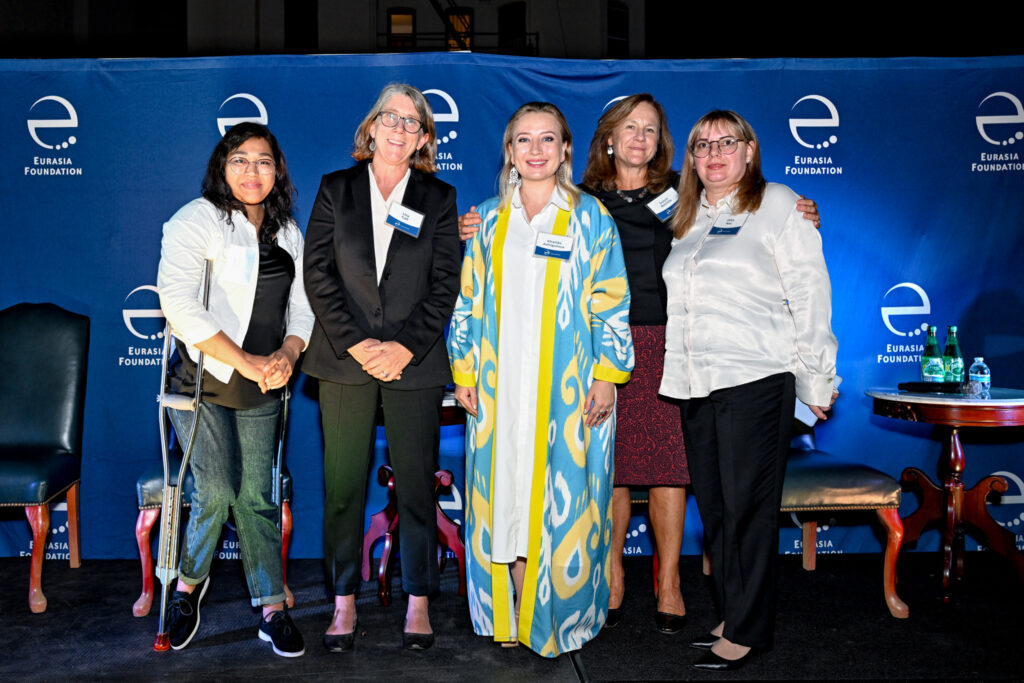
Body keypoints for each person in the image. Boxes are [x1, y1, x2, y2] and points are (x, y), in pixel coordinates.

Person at [461, 94, 822, 634]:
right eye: (629, 128)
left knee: (669, 469)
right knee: (604, 470)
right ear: (606, 138)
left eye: (650, 130)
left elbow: (745, 212)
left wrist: (798, 209)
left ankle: (670, 580)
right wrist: (472, 226)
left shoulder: (687, 192)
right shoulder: (580, 199)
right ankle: (608, 573)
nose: (638, 138)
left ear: (662, 143)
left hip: (668, 340)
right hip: (585, 347)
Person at [448, 102, 634, 657]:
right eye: (523, 140)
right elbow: (468, 302)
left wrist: (606, 374)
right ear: (509, 151)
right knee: (503, 496)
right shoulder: (486, 220)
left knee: (562, 501)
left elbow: (612, 300)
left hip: (568, 390)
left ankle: (558, 618)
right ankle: (506, 611)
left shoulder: (590, 217)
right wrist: (463, 369)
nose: (535, 150)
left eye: (547, 139)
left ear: (565, 150)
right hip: (500, 391)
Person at [659, 110, 839, 672]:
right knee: (716, 510)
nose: (714, 153)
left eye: (726, 143)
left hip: (756, 379)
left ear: (750, 151)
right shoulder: (687, 217)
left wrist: (816, 379)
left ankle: (751, 629)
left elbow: (811, 293)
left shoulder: (779, 204)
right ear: (690, 158)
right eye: (702, 145)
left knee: (749, 511)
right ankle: (734, 612)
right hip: (695, 383)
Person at [302, 84, 461, 653]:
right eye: (389, 118)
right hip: (344, 362)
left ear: (423, 137)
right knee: (343, 487)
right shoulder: (334, 189)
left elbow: (445, 285)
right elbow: (317, 274)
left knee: (417, 485)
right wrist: (360, 345)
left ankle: (419, 597)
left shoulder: (438, 197)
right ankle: (343, 600)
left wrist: (403, 348)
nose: (398, 129)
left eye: (411, 122)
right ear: (370, 127)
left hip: (413, 365)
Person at [157, 121, 313, 657]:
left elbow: (303, 310)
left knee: (257, 497)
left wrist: (288, 356)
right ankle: (186, 588)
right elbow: (179, 305)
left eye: (264, 161)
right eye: (240, 159)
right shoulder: (196, 221)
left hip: (266, 380)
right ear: (222, 166)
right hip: (203, 380)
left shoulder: (288, 231)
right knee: (217, 489)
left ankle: (271, 608)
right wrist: (247, 362)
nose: (253, 171)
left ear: (279, 171)